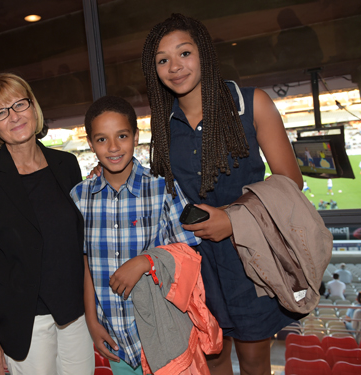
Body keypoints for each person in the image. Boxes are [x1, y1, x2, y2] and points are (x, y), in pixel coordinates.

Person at [141, 13, 304, 375]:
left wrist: (233, 219)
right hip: (198, 264)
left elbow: (291, 182)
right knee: (213, 359)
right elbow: (161, 192)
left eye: (184, 53)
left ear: (204, 54)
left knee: (254, 361)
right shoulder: (164, 125)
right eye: (162, 60)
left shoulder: (252, 103)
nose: (174, 66)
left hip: (252, 256)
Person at [0, 73, 94, 375]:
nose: (14, 116)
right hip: (24, 325)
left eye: (20, 104)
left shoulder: (66, 165)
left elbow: (80, 241)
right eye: (1, 112)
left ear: (34, 107)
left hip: (75, 315)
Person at [71, 96, 201, 374]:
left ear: (136, 136)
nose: (114, 147)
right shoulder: (80, 197)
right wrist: (92, 323)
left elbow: (189, 253)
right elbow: (85, 266)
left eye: (122, 136)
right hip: (114, 334)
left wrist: (146, 261)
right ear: (91, 144)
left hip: (164, 329)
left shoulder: (162, 187)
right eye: (102, 139)